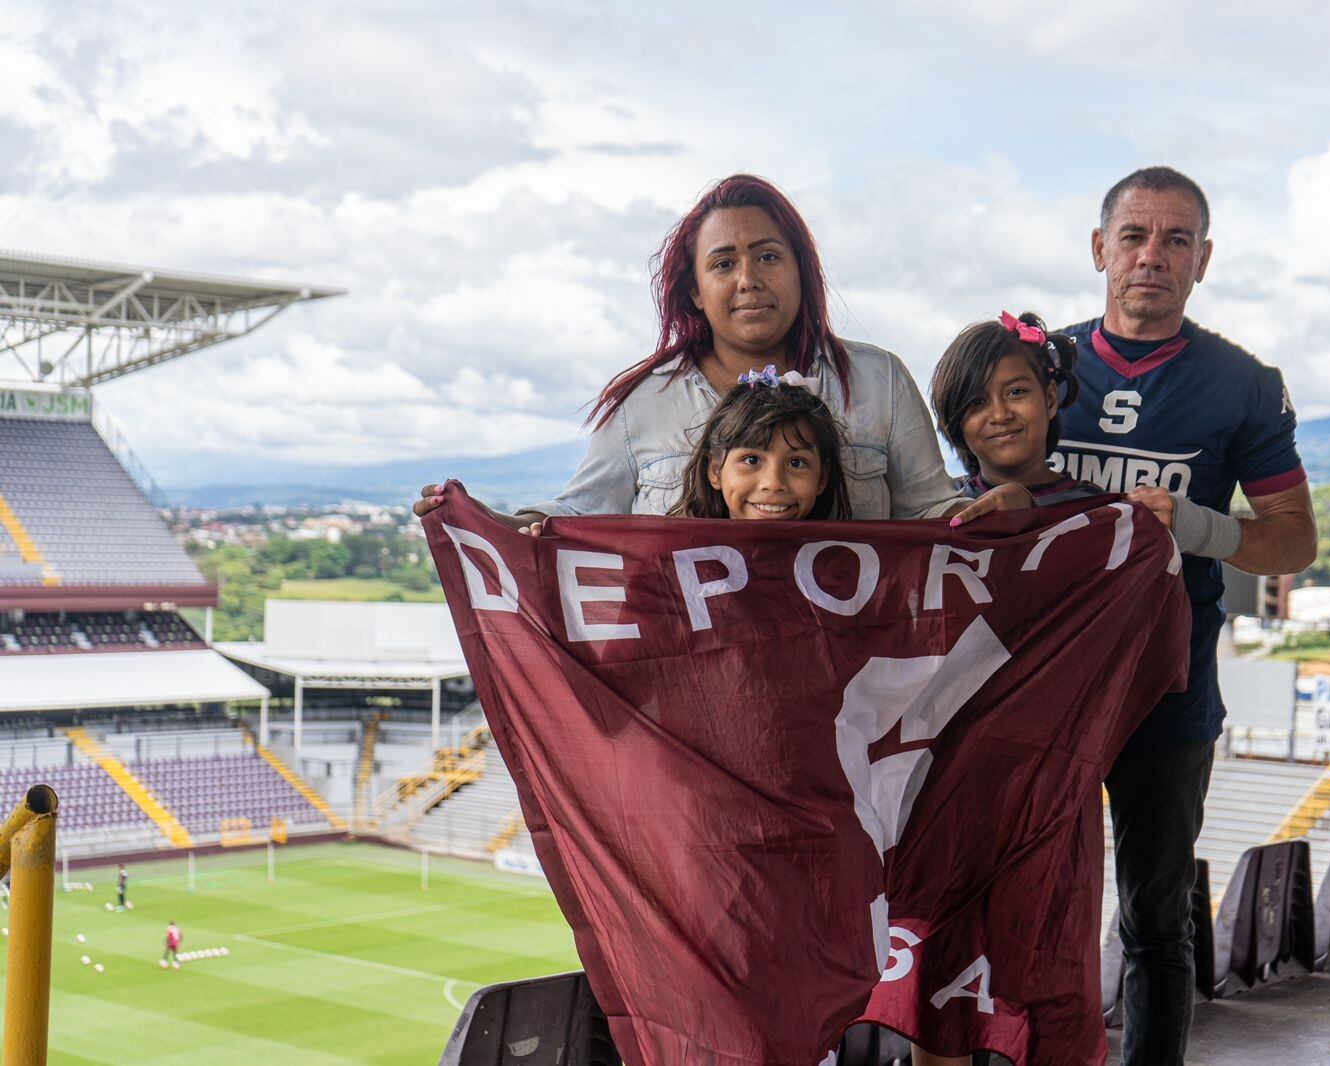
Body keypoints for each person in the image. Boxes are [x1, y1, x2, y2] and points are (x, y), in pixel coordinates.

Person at [1054, 167, 1317, 1065]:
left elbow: (1293, 543)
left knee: (1154, 921)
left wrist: (1196, 524)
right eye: (1134, 237)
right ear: (1099, 249)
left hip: (1167, 692)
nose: (1151, 257)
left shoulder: (1241, 384)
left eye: (1175, 241)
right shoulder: (1035, 366)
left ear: (1203, 261)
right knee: (1018, 901)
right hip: (1039, 690)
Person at [918, 312, 1215, 1066]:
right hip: (946, 796)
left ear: (1053, 397)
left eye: (1016, 390)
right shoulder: (928, 518)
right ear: (955, 423)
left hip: (1052, 800)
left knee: (1049, 980)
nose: (1000, 413)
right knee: (937, 992)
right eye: (976, 403)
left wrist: (1032, 533)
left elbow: (1150, 649)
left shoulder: (1107, 524)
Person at [414, 174, 1026, 529]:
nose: (747, 280)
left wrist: (1003, 511)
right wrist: (480, 527)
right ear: (695, 290)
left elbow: (934, 517)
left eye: (767, 256)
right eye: (723, 263)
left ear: (801, 271)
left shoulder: (878, 380)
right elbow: (573, 520)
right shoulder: (643, 404)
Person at [668, 367, 849, 521]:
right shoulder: (680, 556)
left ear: (822, 478)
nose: (773, 483)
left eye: (796, 463)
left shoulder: (841, 558)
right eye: (752, 460)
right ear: (716, 470)